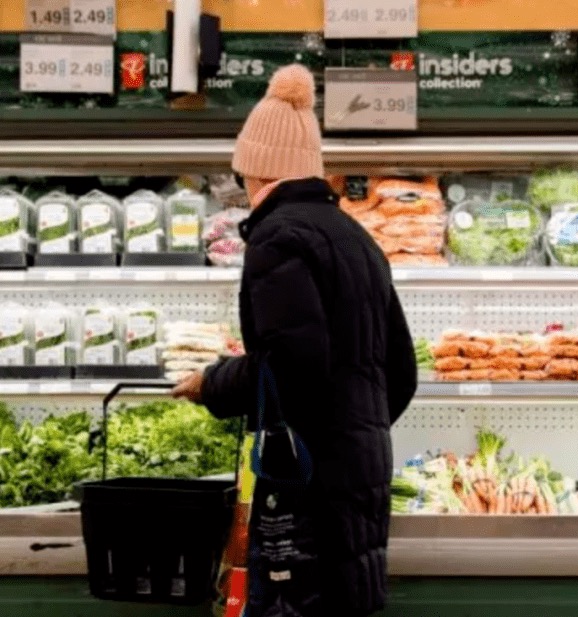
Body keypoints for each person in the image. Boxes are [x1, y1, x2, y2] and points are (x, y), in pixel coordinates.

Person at [172, 64, 417, 615]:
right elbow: (401, 373)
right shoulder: (356, 237)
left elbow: (291, 365)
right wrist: (356, 432)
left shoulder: (278, 238)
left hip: (308, 487)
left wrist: (213, 383)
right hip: (360, 475)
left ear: (258, 169)